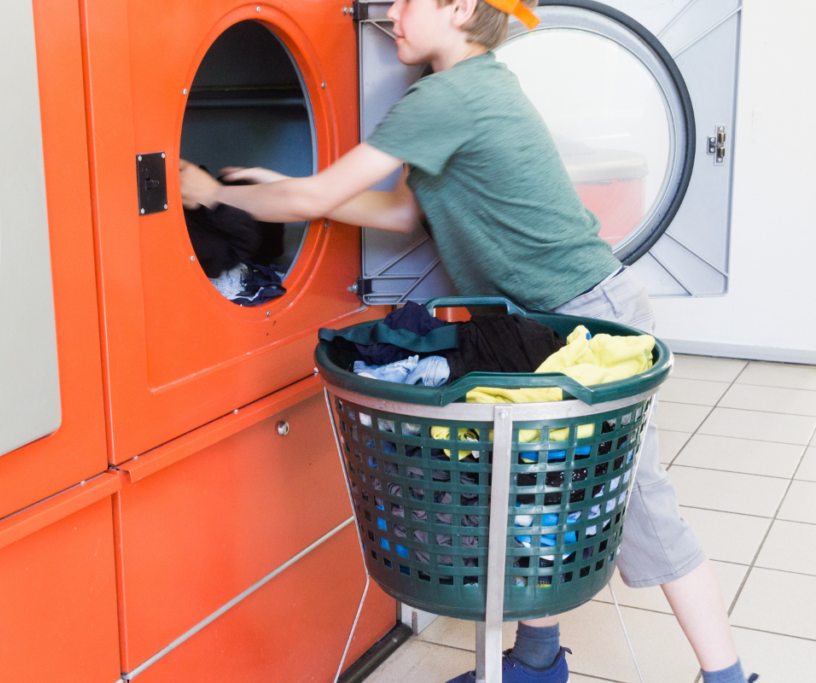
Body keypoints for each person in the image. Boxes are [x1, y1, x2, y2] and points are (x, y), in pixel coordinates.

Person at [179, 1, 755, 682]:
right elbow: (400, 211)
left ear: (457, 7)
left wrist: (215, 191)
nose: (389, 12)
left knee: (634, 499)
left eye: (406, 0)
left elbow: (322, 199)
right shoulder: (475, 87)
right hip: (541, 320)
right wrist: (295, 190)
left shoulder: (448, 96)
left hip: (592, 318)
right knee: (546, 488)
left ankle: (730, 674)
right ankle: (538, 661)